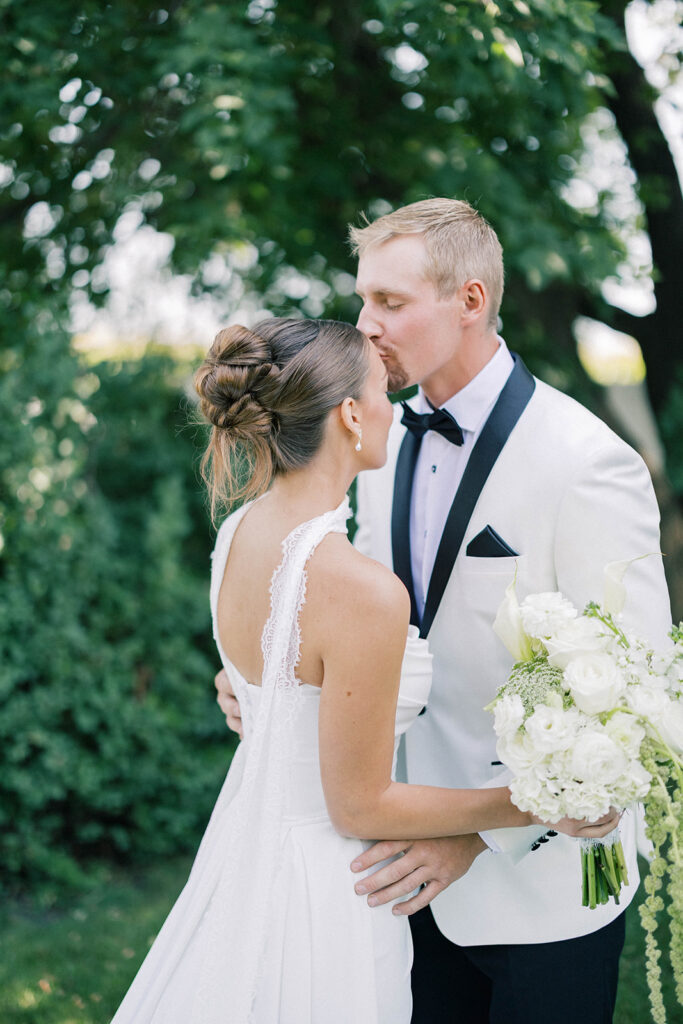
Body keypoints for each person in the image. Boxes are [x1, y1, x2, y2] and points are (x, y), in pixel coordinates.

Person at [216, 199, 672, 1024]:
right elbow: (337, 605)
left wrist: (477, 836)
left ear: (469, 301)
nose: (366, 325)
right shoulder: (372, 439)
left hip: (543, 890)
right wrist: (272, 666)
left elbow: (635, 706)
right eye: (362, 300)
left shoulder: (586, 463)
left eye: (389, 303)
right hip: (391, 879)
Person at [112, 316, 616, 1024]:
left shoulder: (238, 533)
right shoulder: (360, 590)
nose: (394, 407)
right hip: (330, 888)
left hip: (248, 856)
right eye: (382, 391)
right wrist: (538, 802)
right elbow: (359, 805)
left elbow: (275, 686)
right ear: (350, 415)